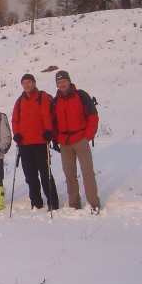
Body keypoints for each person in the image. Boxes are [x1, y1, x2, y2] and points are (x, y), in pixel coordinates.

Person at [51, 70, 101, 213]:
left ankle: (94, 203)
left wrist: (88, 135)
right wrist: (55, 139)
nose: (62, 84)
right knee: (69, 174)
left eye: (64, 81)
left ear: (69, 81)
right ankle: (74, 204)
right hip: (65, 142)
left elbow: (93, 116)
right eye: (59, 82)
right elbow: (54, 122)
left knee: (87, 172)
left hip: (80, 139)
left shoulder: (81, 96)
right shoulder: (56, 101)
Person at [11, 74, 60, 210]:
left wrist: (48, 130)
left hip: (40, 141)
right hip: (25, 144)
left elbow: (46, 115)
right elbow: (15, 120)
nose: (26, 85)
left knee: (45, 174)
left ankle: (53, 202)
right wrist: (17, 134)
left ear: (34, 83)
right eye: (24, 83)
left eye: (29, 82)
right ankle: (36, 202)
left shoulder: (42, 97)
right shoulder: (19, 101)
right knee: (30, 175)